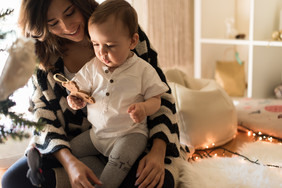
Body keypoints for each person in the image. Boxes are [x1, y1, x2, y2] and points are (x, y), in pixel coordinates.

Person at [1, 0, 188, 187]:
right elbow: (42, 115)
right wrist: (69, 163)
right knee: (12, 181)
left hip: (133, 139)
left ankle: (102, 178)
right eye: (53, 23)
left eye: (69, 13)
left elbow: (161, 97)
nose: (67, 26)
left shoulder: (119, 26)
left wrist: (158, 150)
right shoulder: (41, 54)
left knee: (154, 180)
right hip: (84, 142)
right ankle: (91, 172)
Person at [66, 0, 169, 187]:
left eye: (110, 46)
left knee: (118, 162)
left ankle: (106, 182)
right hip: (97, 134)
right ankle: (102, 173)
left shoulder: (142, 69)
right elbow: (78, 88)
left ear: (132, 41)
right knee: (70, 151)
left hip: (130, 135)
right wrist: (76, 98)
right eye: (96, 44)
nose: (102, 53)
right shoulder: (92, 67)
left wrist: (144, 108)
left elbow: (157, 99)